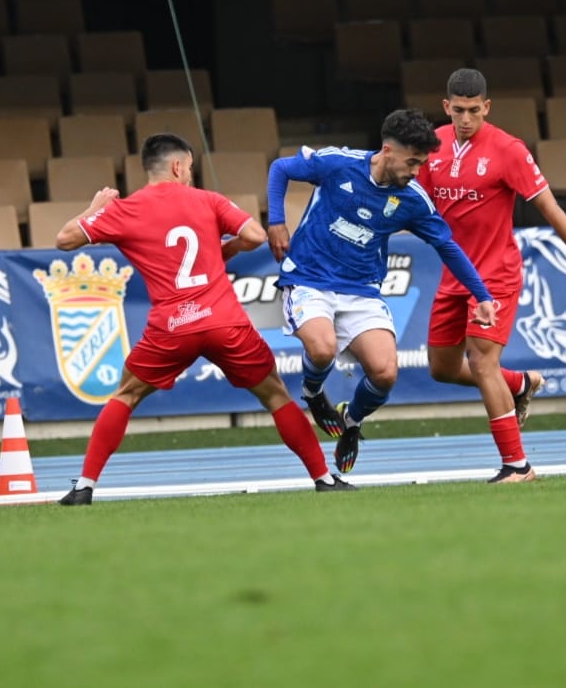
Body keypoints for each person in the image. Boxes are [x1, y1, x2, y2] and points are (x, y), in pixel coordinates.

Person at [57, 133, 355, 505]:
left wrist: (94, 208)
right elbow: (255, 235)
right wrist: (221, 252)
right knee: (275, 395)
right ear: (178, 166)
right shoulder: (207, 199)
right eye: (190, 169)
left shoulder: (125, 209)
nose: (190, 176)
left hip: (172, 326)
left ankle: (84, 487)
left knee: (126, 394)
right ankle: (325, 479)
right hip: (224, 321)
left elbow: (64, 239)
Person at [267, 108, 497, 476]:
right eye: (412, 162)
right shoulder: (337, 163)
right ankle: (313, 394)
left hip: (361, 291)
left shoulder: (412, 199)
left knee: (386, 373)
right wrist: (276, 220)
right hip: (309, 278)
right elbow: (281, 169)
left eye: (422, 164)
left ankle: (352, 421)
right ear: (388, 151)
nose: (416, 172)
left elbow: (448, 247)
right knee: (322, 347)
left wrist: (481, 296)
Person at [415, 68, 566, 483]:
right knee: (442, 368)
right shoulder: (432, 145)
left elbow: (550, 208)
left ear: (486, 108)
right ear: (446, 106)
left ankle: (518, 465)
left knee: (482, 361)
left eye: (474, 111)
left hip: (495, 276)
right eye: (459, 111)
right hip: (455, 276)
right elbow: (414, 201)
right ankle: (520, 384)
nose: (466, 119)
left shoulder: (509, 150)